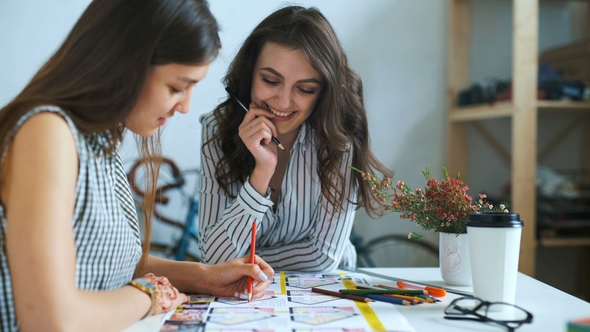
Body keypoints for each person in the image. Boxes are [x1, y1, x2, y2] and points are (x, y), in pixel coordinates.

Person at [0, 0, 274, 331]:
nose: (185, 107)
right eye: (176, 87)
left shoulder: (101, 139)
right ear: (124, 62)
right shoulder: (48, 132)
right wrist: (149, 296)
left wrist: (206, 277)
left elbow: (111, 263)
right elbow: (49, 319)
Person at [199, 5, 392, 272]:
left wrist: (249, 261)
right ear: (250, 73)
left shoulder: (340, 137)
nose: (284, 101)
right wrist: (262, 173)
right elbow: (214, 260)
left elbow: (323, 256)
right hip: (245, 297)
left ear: (324, 91)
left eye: (305, 89)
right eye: (270, 80)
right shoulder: (216, 129)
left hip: (324, 292)